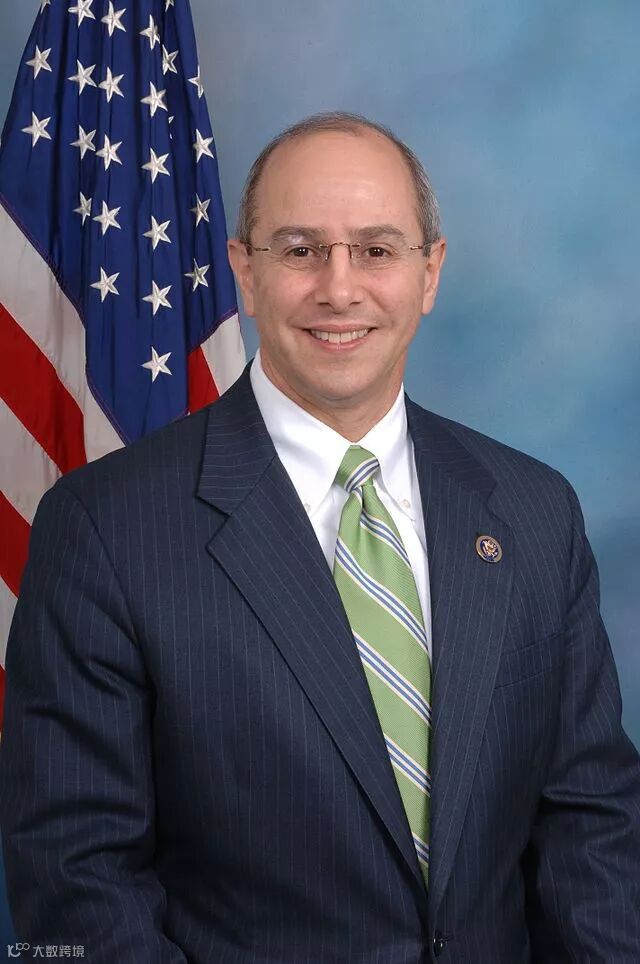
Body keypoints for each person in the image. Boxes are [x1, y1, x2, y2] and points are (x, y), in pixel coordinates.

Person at [1, 111, 639, 963]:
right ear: (245, 272)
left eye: (376, 249)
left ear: (429, 272)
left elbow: (592, 828)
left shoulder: (533, 510)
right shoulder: (107, 528)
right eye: (301, 250)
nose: (340, 289)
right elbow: (77, 882)